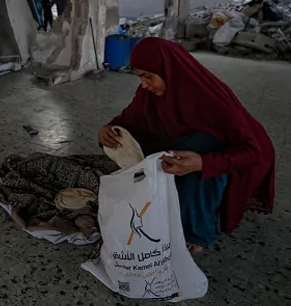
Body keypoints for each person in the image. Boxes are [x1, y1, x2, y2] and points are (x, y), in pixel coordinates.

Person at [98, 38, 275, 254]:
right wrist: (108, 129)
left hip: (234, 153)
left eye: (148, 76)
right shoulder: (149, 94)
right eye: (140, 77)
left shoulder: (208, 98)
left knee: (203, 159)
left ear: (167, 69)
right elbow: (129, 119)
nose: (143, 84)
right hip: (189, 147)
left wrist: (203, 163)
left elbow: (252, 151)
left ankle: (198, 231)